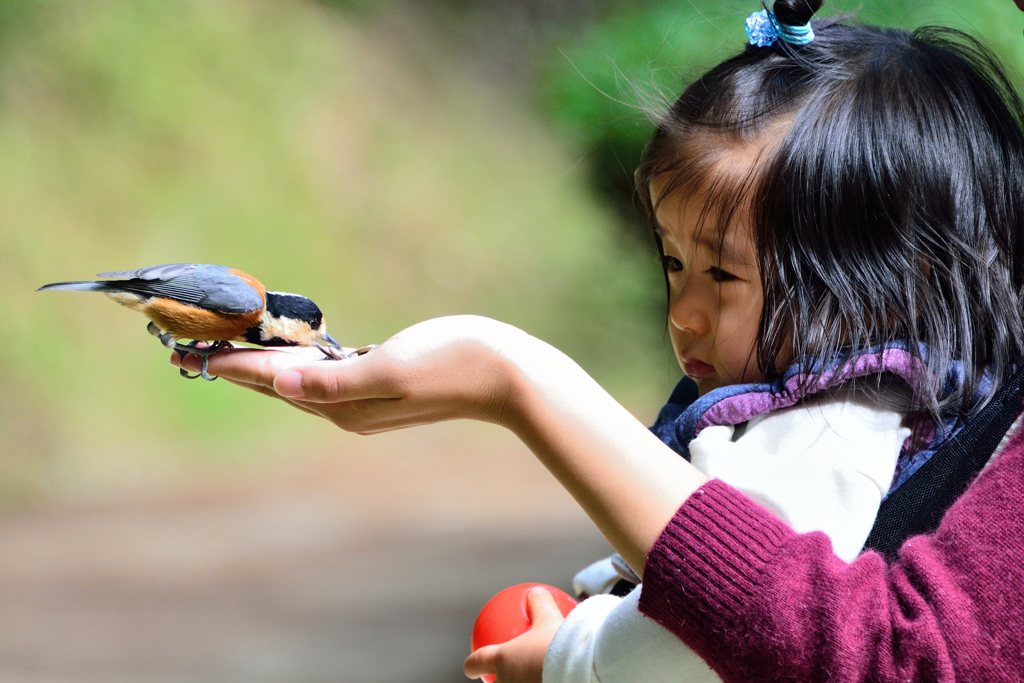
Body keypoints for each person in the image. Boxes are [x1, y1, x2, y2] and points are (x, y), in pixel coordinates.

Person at [172, 1, 1024, 680]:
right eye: (673, 263)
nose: (683, 313)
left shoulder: (827, 429)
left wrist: (571, 656)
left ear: (889, 285)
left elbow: (711, 643)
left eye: (724, 278)